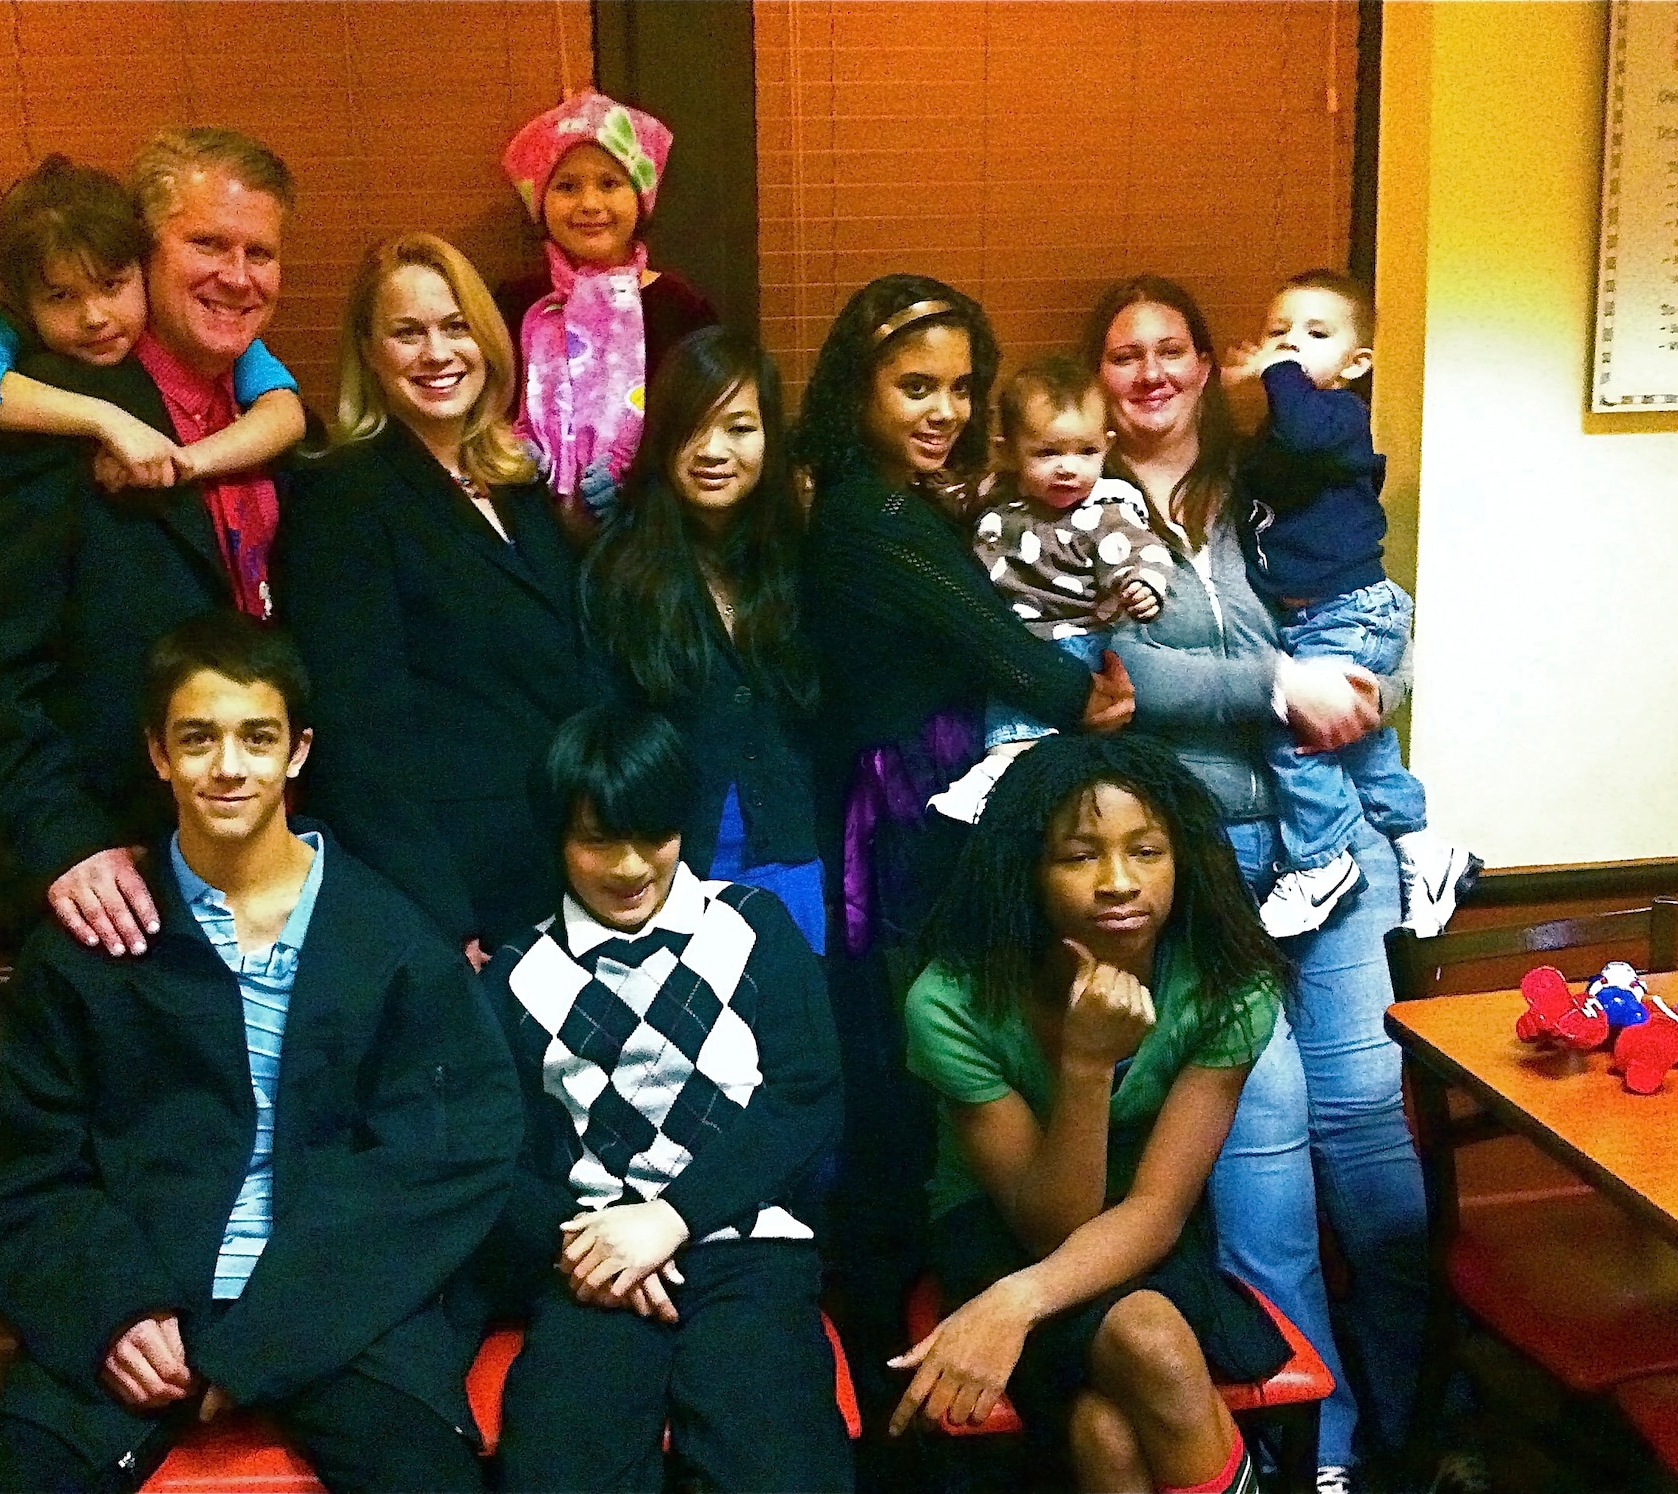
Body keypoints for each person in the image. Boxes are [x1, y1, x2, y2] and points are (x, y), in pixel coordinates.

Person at [0, 612, 521, 1493]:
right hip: (145, 1298)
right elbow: (23, 1172)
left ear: (298, 753)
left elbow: (443, 1161)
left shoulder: (393, 942)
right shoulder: (92, 949)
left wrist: (263, 1340)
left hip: (342, 1310)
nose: (228, 767)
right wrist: (114, 1312)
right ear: (157, 753)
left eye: (256, 738)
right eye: (198, 738)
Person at [1086, 274, 1429, 1487]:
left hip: (1329, 852)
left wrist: (1351, 689)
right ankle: (1315, 1451)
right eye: (1124, 355)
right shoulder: (1078, 503)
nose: (1149, 374)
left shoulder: (1269, 478)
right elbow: (1111, 678)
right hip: (1201, 873)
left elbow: (1358, 612)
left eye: (1170, 348)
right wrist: (1272, 687)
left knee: (1366, 1143)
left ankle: (1418, 1426)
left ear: (1203, 360)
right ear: (1098, 381)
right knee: (1261, 1157)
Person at [792, 274, 1135, 1461]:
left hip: (931, 805)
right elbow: (1040, 677)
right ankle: (908, 1418)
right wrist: (1092, 667)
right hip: (906, 822)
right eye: (912, 386)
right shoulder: (869, 518)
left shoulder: (906, 502)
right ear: (857, 389)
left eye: (958, 388)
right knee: (919, 1091)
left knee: (948, 1083)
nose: (940, 410)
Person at [0, 127, 298, 959]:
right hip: (107, 886)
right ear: (143, 248)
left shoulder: (262, 409)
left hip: (252, 869)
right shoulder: (40, 411)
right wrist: (65, 841)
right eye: (206, 243)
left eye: (260, 252)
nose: (237, 276)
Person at [896, 734, 1288, 1494]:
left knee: (1113, 1419)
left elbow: (1158, 1208)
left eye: (1146, 851)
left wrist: (1016, 1305)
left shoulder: (1230, 986)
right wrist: (1085, 1064)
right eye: (1078, 856)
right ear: (1028, 873)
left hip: (1143, 1228)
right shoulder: (951, 1001)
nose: (1118, 882)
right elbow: (1048, 1224)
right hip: (1000, 1226)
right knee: (1142, 1363)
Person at [485, 704, 851, 1494]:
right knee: (558, 1467)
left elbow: (806, 1098)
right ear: (557, 837)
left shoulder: (753, 926)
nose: (628, 867)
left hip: (750, 1243)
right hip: (593, 1260)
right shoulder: (516, 972)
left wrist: (673, 1217)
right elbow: (493, 1159)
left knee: (775, 1466)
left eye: (652, 836)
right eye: (596, 841)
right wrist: (581, 1246)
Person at [276, 231, 594, 961]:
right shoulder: (344, 494)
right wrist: (438, 912)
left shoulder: (518, 485)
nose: (438, 354)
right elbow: (357, 731)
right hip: (455, 892)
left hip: (563, 860)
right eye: (407, 332)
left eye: (456, 328)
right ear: (370, 351)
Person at [1222, 269, 1478, 939]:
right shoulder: (1278, 435)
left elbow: (1303, 431)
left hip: (1351, 609)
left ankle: (1321, 863)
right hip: (1319, 613)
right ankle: (1425, 847)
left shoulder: (1336, 416)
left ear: (1355, 362)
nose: (1291, 344)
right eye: (1278, 331)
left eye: (1315, 333)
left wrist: (1276, 370)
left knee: (1300, 733)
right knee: (1357, 750)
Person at [581, 326, 826, 951]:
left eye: (740, 427)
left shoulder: (804, 562)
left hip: (795, 851)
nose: (714, 450)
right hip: (669, 863)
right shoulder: (617, 570)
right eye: (693, 427)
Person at [0, 153, 305, 497]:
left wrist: (183, 462)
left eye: (110, 285)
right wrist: (106, 420)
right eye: (60, 296)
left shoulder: (213, 341)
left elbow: (284, 411)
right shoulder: (13, 334)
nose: (95, 317)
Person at [929, 353, 1175, 823]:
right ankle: (1003, 769)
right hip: (1011, 641)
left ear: (1106, 447)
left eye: (1085, 452)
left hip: (1074, 638)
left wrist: (1142, 584)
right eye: (1047, 453)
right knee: (1007, 702)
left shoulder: (1102, 511)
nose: (1068, 468)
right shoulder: (999, 496)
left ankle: (1000, 775)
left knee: (1030, 725)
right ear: (1010, 452)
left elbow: (1139, 552)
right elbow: (955, 502)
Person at [496, 89, 718, 532]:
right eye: (566, 186)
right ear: (540, 201)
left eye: (610, 183)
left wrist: (636, 475)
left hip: (653, 534)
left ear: (641, 197)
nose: (590, 204)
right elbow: (483, 410)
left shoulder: (681, 308)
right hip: (532, 528)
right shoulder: (516, 303)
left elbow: (703, 425)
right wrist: (509, 450)